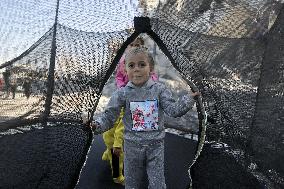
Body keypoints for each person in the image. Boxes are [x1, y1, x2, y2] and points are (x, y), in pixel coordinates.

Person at [82, 46, 200, 189]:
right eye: (131, 65)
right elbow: (108, 117)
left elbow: (173, 110)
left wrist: (188, 100)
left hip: (155, 147)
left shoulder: (159, 90)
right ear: (125, 70)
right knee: (132, 184)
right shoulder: (122, 94)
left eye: (142, 64)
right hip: (132, 147)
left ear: (150, 68)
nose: (136, 69)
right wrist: (95, 125)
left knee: (158, 185)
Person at [101, 36, 158, 185]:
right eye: (131, 44)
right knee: (111, 131)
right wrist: (122, 88)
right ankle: (111, 151)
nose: (133, 46)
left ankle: (122, 160)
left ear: (142, 47)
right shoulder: (123, 61)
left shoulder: (146, 62)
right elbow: (119, 77)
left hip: (138, 103)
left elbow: (153, 78)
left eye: (136, 44)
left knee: (126, 136)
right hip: (124, 99)